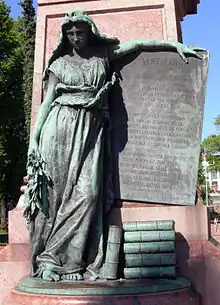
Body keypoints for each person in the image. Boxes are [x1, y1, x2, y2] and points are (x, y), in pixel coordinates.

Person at [24, 10, 201, 282]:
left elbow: (138, 45)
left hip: (92, 132)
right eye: (70, 33)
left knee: (89, 193)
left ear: (90, 32)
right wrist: (34, 140)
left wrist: (173, 45)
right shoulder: (58, 65)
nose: (75, 38)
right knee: (57, 196)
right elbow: (46, 105)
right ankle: (52, 261)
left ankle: (73, 260)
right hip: (59, 131)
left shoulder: (102, 57)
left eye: (79, 33)